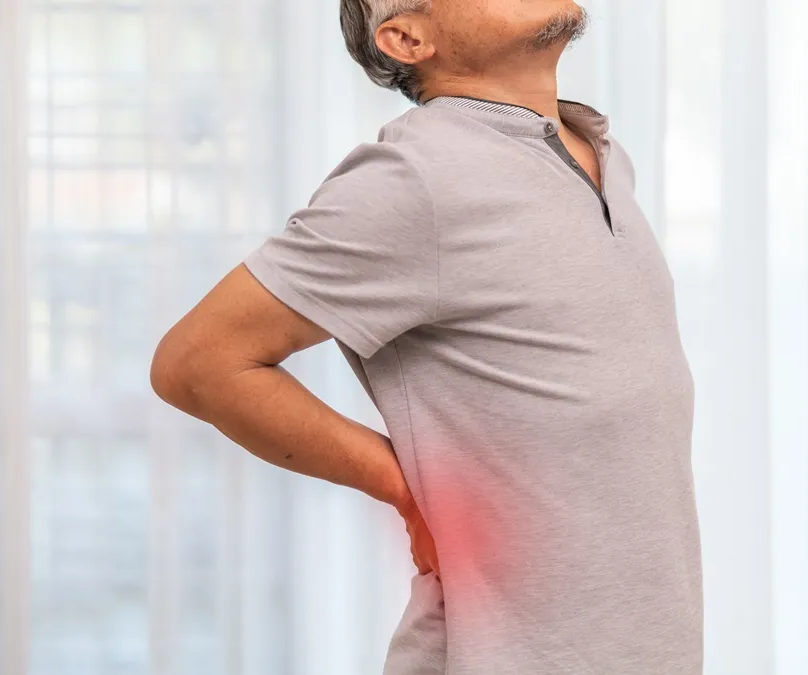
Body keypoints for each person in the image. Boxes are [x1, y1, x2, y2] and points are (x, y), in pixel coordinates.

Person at [149, 0, 703, 672]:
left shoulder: (599, 153)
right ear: (408, 38)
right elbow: (197, 363)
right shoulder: (416, 177)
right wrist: (405, 489)